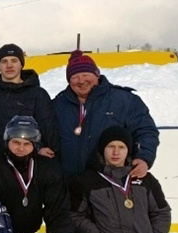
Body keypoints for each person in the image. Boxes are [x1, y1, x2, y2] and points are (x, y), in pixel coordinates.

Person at [53, 50, 159, 180]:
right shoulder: (57, 104)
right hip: (68, 183)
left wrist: (143, 157)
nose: (81, 81)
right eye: (74, 77)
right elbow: (42, 133)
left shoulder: (124, 100)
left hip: (111, 184)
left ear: (97, 74)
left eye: (86, 74)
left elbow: (145, 131)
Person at [0, 43, 59, 161]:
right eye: (4, 61)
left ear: (21, 64)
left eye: (14, 60)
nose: (9, 65)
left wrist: (37, 149)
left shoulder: (38, 95)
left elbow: (49, 135)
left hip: (22, 166)